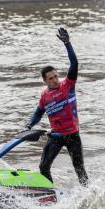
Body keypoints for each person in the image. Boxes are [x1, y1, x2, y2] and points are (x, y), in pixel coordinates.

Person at [26, 28, 88, 186]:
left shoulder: (68, 85)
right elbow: (38, 113)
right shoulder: (45, 95)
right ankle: (51, 194)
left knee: (79, 168)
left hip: (73, 135)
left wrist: (67, 43)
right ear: (45, 81)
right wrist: (29, 125)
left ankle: (88, 194)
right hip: (56, 136)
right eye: (51, 78)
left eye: (56, 76)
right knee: (43, 166)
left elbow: (74, 64)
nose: (55, 80)